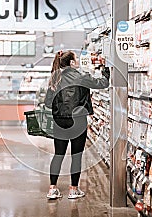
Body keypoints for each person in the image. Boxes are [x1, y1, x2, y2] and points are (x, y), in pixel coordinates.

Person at [45, 50, 110, 199]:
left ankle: (52, 189)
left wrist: (60, 107)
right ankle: (73, 190)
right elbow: (103, 84)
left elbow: (48, 103)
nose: (79, 61)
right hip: (78, 121)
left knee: (58, 155)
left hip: (60, 121)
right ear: (72, 63)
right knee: (76, 156)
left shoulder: (55, 79)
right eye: (77, 59)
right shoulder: (81, 77)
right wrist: (106, 68)